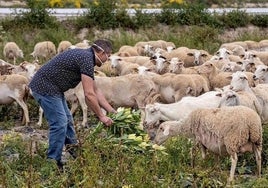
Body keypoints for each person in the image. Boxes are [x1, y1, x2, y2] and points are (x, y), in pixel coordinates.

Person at [29, 39, 116, 169]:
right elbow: (89, 94)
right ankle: (52, 162)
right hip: (45, 88)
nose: (107, 60)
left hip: (54, 89)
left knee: (67, 121)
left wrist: (111, 112)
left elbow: (95, 90)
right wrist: (101, 116)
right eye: (107, 56)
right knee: (59, 123)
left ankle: (77, 154)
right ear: (101, 52)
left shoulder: (87, 57)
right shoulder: (86, 58)